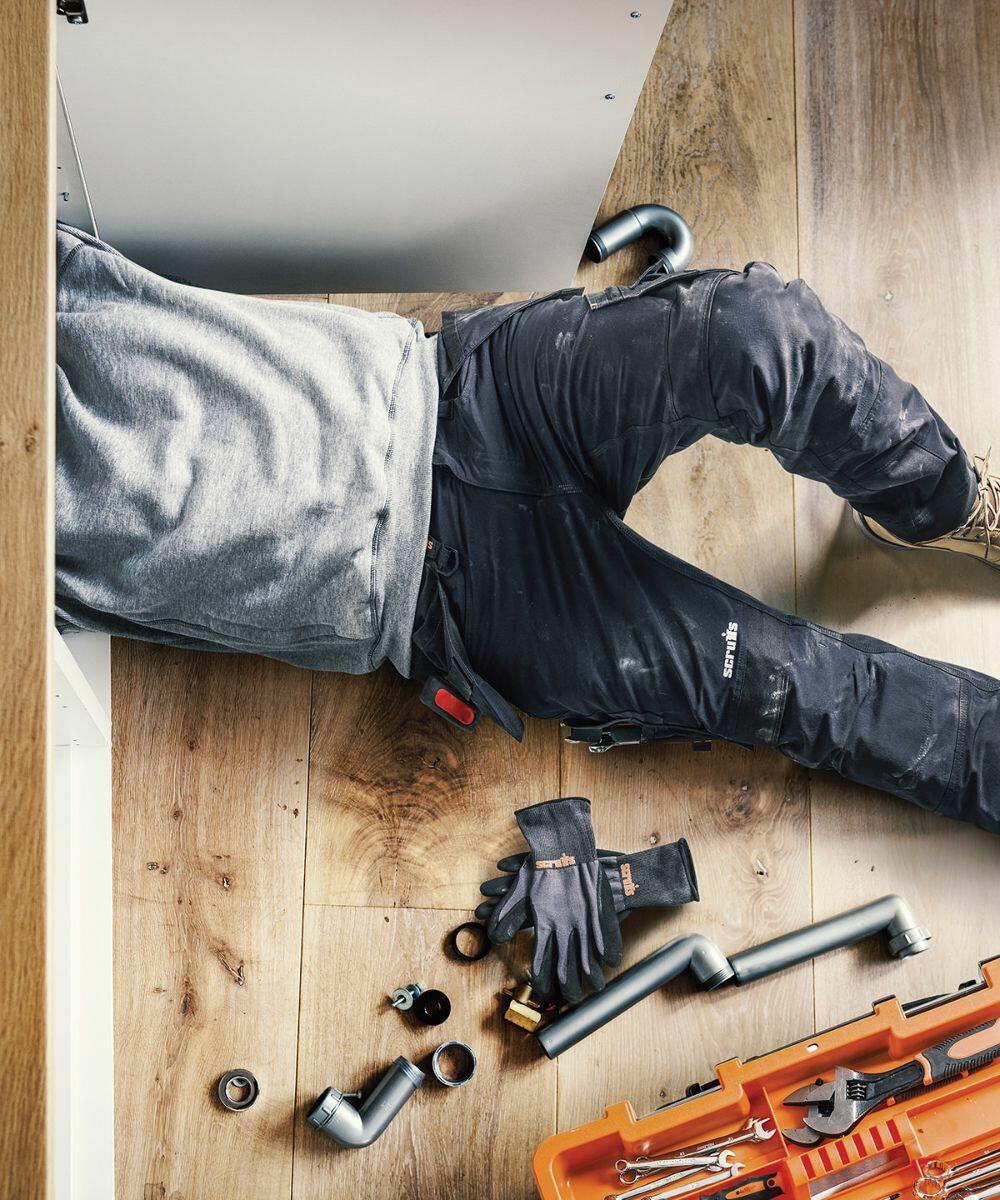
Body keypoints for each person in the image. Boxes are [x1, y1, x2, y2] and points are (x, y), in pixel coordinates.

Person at [56, 224, 1000, 836]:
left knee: (759, 332)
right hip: (457, 599)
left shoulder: (32, 279)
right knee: (804, 688)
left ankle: (938, 503)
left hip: (467, 390)